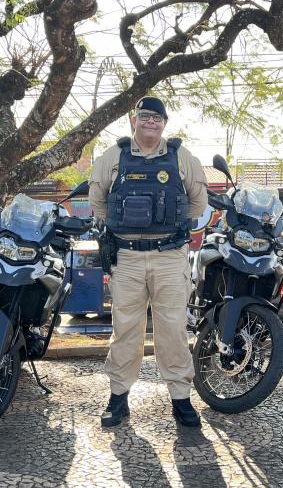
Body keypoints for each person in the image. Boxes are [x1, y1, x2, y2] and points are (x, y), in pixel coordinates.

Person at [89, 96, 208, 429]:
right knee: (125, 329)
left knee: (173, 329)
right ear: (134, 120)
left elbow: (197, 203)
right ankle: (118, 397)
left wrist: (166, 222)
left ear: (165, 123)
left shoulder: (182, 157)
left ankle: (181, 398)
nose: (150, 122)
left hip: (169, 257)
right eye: (144, 116)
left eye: (157, 118)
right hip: (126, 257)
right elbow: (98, 202)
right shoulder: (113, 156)